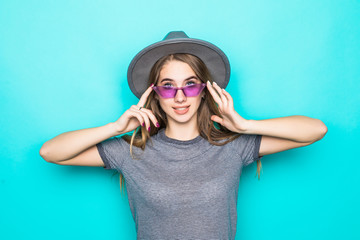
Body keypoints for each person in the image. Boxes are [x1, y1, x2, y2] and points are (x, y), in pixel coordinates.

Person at [40, 31, 328, 240]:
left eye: (190, 84)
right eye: (168, 86)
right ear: (155, 93)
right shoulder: (131, 152)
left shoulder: (232, 146)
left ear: (205, 90)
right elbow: (50, 152)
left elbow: (315, 130)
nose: (180, 96)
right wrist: (115, 128)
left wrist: (244, 125)